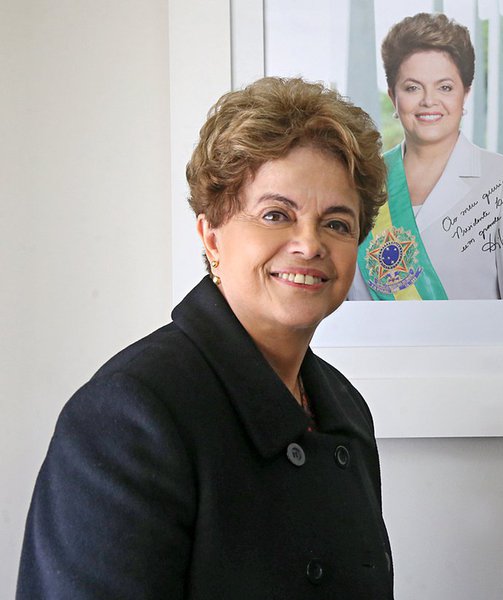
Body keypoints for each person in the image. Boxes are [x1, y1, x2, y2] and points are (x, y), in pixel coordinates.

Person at [18, 77, 395, 598]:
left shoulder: (346, 409)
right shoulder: (128, 415)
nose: (309, 244)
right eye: (275, 215)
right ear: (211, 237)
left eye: (337, 223)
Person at [348, 12, 503, 301]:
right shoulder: (363, 179)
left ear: (465, 94)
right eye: (412, 87)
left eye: (445, 87)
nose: (428, 101)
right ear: (392, 96)